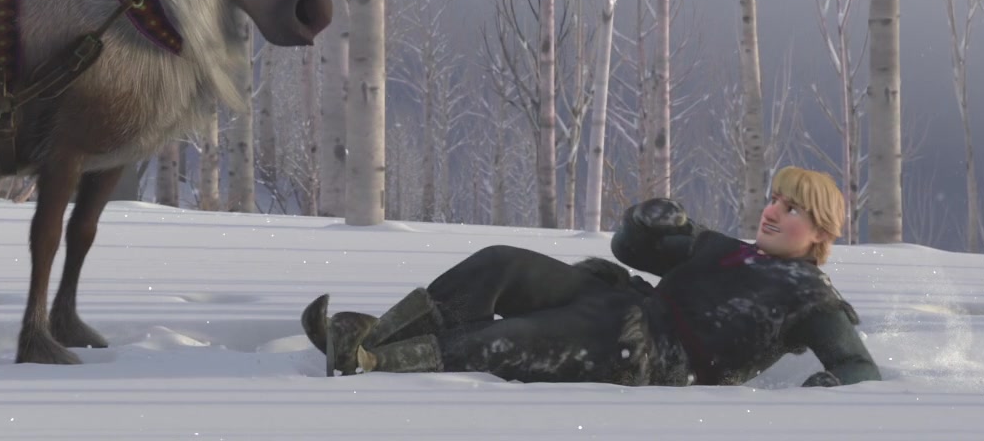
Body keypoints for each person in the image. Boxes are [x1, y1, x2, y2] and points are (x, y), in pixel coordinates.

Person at [301, 166, 880, 388]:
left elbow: (858, 368)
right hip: (619, 303)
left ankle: (371, 363)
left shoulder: (810, 295)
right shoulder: (722, 248)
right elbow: (631, 248)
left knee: (506, 343)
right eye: (775, 199)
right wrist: (645, 220)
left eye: (793, 208)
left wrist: (829, 391)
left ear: (821, 233)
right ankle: (376, 337)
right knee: (501, 262)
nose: (773, 211)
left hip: (648, 358)